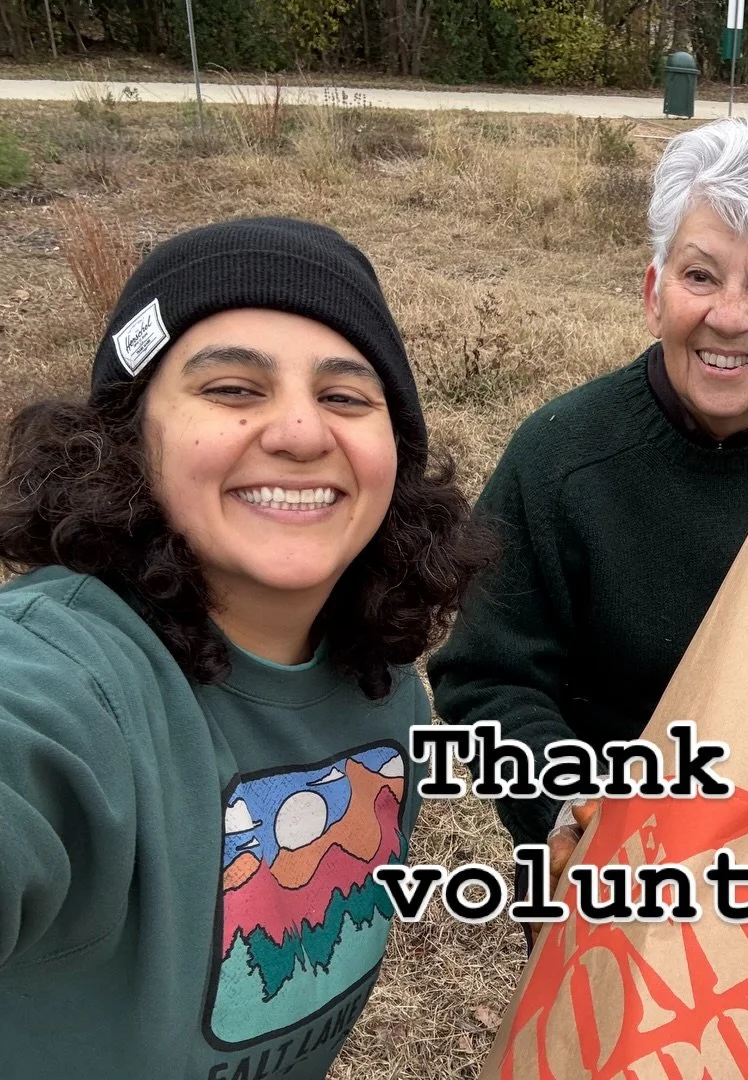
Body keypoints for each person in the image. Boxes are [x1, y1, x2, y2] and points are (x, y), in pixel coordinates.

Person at [0, 218, 493, 1078]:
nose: (302, 433)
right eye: (232, 389)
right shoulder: (71, 679)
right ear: (127, 439)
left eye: (346, 397)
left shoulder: (388, 695)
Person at [429, 114, 748, 908]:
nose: (729, 316)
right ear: (653, 292)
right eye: (701, 276)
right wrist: (564, 810)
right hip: (611, 881)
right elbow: (485, 676)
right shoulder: (562, 458)